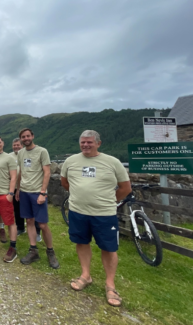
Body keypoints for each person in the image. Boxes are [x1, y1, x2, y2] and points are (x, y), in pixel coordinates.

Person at [61, 130, 131, 307]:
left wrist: (108, 201)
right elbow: (65, 182)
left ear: (98, 143)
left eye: (89, 142)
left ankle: (110, 285)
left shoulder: (112, 162)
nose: (85, 145)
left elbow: (125, 187)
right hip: (78, 211)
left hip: (104, 214)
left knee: (108, 248)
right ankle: (86, 275)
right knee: (81, 242)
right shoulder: (71, 161)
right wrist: (79, 195)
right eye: (83, 142)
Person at [16, 129, 59, 269]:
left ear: (33, 136)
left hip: (37, 192)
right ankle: (33, 250)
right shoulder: (21, 153)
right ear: (21, 139)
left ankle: (50, 251)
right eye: (23, 137)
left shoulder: (42, 151)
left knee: (42, 224)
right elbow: (21, 172)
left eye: (28, 136)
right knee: (29, 221)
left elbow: (47, 172)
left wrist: (43, 193)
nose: (26, 138)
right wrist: (18, 189)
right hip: (24, 191)